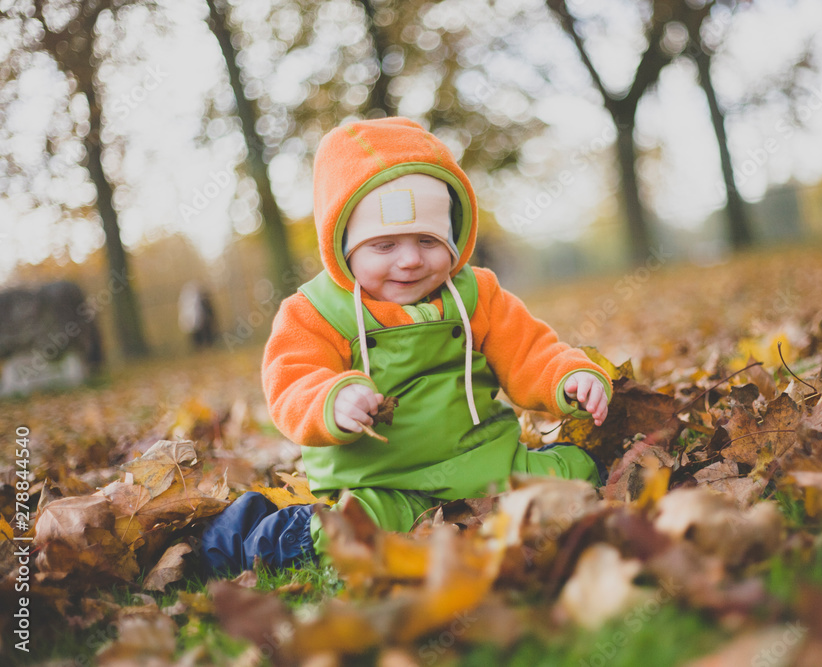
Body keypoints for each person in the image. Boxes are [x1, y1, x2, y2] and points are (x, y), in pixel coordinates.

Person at [201, 117, 612, 575]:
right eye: (385, 245)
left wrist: (567, 377)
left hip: (483, 464)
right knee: (349, 533)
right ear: (343, 247)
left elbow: (530, 352)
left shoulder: (479, 294)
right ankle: (252, 534)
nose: (411, 259)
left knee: (578, 472)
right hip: (382, 480)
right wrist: (332, 399)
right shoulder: (314, 312)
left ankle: (525, 487)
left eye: (427, 240)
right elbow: (291, 380)